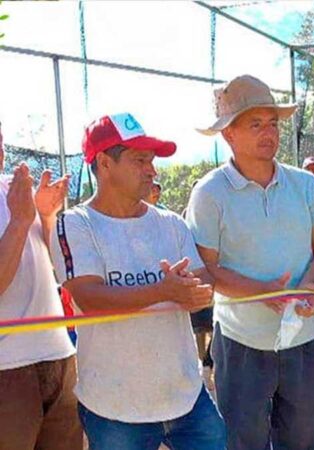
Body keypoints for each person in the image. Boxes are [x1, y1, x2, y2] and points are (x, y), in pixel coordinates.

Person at [50, 113, 225, 449]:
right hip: (115, 410)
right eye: (139, 160)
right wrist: (164, 290)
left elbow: (203, 281)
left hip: (187, 397)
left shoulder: (172, 223)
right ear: (104, 163)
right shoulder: (75, 224)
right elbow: (89, 298)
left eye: (152, 160)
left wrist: (198, 293)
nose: (152, 170)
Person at [188, 74, 314, 450]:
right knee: (243, 441)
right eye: (255, 124)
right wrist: (261, 292)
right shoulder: (209, 193)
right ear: (229, 134)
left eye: (272, 123)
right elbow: (205, 269)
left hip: (304, 336)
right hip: (240, 342)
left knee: (308, 439)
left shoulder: (306, 184)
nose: (269, 132)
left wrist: (308, 285)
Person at [0, 121, 82, 449]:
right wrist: (20, 221)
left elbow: (53, 266)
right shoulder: (19, 202)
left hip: (59, 356)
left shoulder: (14, 189)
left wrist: (46, 216)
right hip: (7, 370)